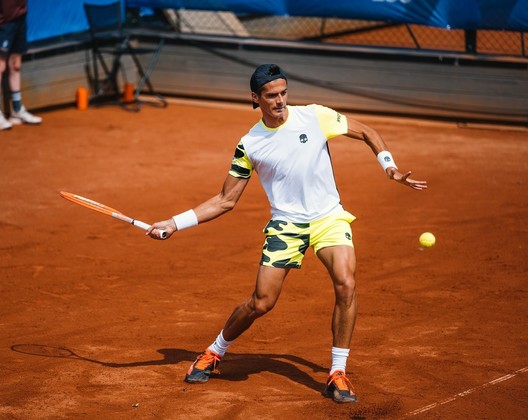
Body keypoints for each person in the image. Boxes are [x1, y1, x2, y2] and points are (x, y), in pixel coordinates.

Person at [146, 64, 427, 404]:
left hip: (328, 218)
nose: (280, 101)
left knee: (346, 282)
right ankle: (215, 351)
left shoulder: (315, 116)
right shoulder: (250, 144)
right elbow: (225, 200)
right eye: (271, 95)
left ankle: (338, 372)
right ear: (256, 98)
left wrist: (389, 168)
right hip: (286, 226)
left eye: (283, 93)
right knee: (261, 302)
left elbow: (366, 131)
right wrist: (174, 222)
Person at [0, 0, 42, 130]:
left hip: (20, 19)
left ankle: (17, 110)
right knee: (0, 65)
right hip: (4, 23)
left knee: (16, 65)